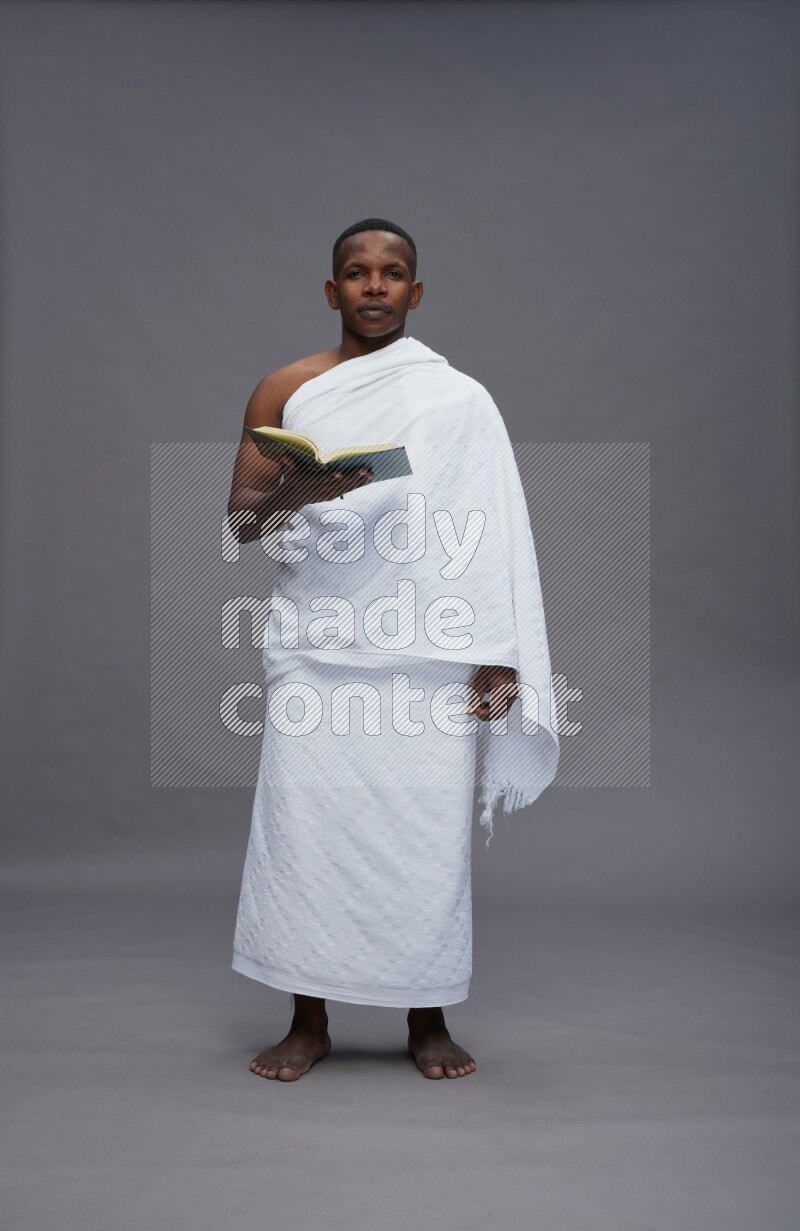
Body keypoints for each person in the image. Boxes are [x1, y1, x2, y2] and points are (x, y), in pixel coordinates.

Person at [226, 217, 557, 1081]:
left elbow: (491, 530)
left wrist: (498, 653)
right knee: (306, 833)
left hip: (427, 653)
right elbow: (242, 523)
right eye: (357, 271)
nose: (374, 284)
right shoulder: (284, 389)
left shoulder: (459, 399)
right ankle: (308, 1020)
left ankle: (426, 1014)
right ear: (331, 290)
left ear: (416, 290)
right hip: (317, 645)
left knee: (422, 834)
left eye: (392, 271)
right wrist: (301, 489)